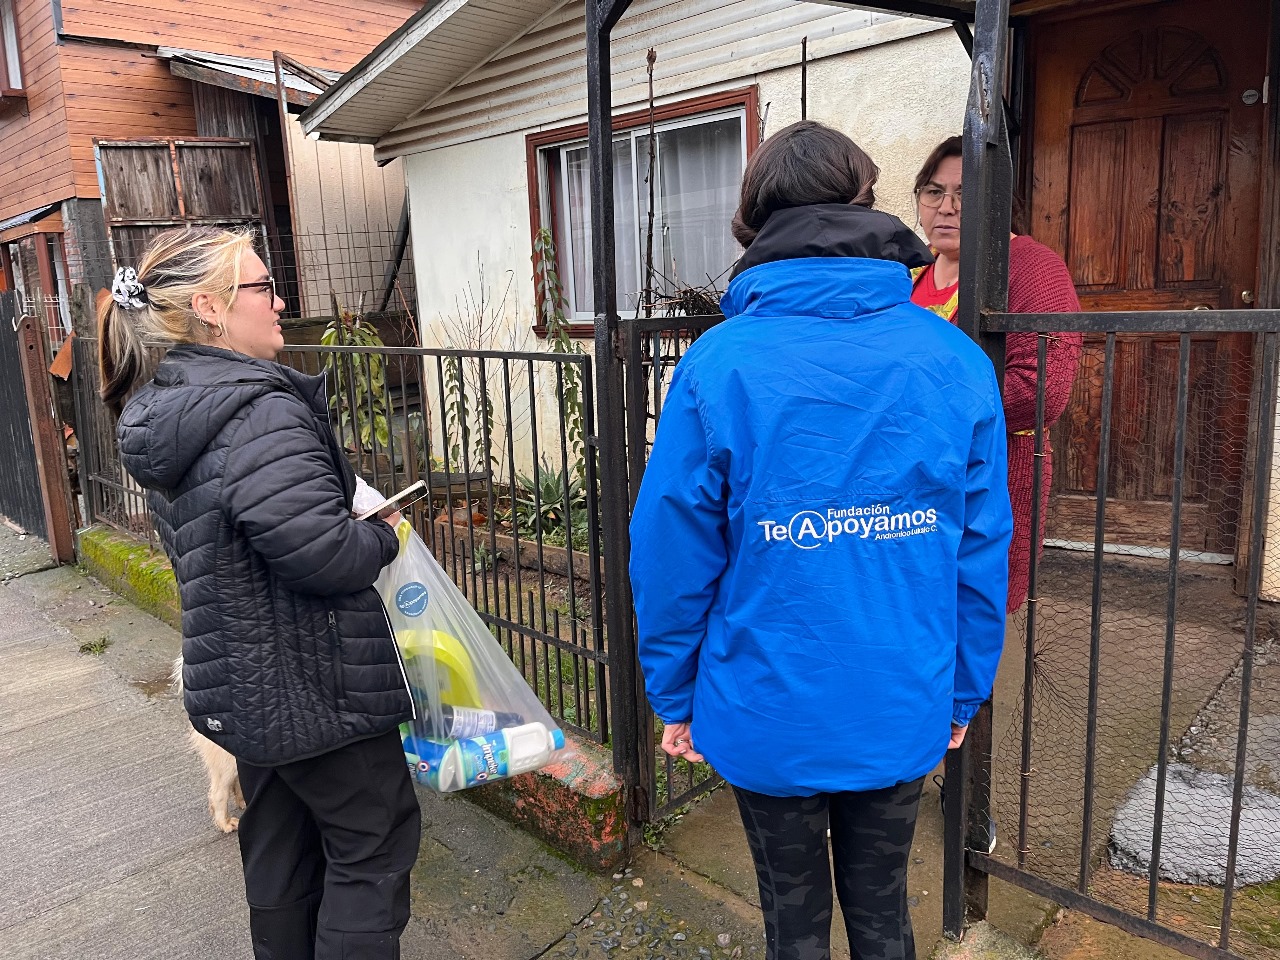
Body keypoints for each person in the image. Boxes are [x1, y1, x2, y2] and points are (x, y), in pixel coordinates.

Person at [629, 120, 1014, 960]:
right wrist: (962, 690)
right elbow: (982, 551)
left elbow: (670, 553)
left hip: (765, 703)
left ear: (756, 221)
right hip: (899, 692)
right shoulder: (952, 360)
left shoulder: (720, 364)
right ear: (866, 207)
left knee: (792, 926)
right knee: (884, 917)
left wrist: (676, 692)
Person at [100, 227, 420, 960]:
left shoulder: (171, 411)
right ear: (211, 307)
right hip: (318, 690)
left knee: (280, 858)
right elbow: (326, 556)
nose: (281, 301)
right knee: (372, 852)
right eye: (264, 287)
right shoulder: (257, 410)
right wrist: (383, 531)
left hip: (244, 691)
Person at [910, 135, 1084, 614]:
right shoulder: (913, 276)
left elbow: (1041, 387)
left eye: (965, 194)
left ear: (998, 201)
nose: (946, 208)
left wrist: (917, 409)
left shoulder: (1031, 266)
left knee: (974, 607)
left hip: (995, 473)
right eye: (932, 191)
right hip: (913, 473)